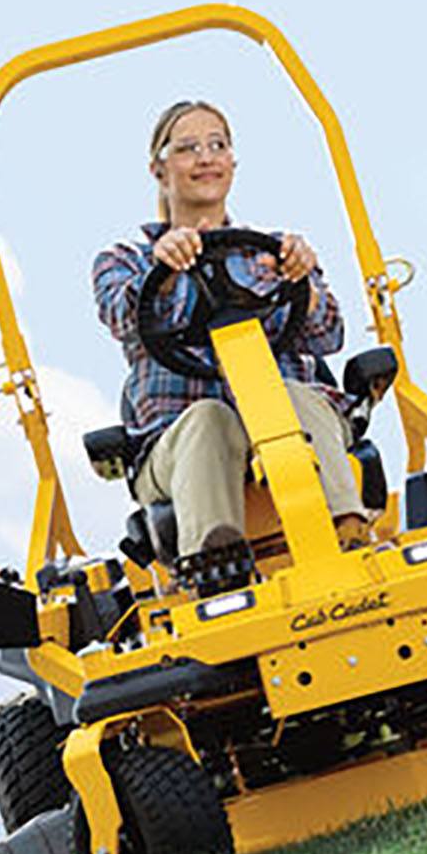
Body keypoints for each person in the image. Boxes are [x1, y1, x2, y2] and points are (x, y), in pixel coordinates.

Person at [91, 99, 368, 561]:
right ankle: (215, 562)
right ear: (159, 170)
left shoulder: (273, 252)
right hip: (175, 441)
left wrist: (305, 282)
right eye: (187, 148)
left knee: (294, 396)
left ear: (232, 162)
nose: (205, 157)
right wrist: (169, 269)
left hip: (282, 425)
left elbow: (328, 336)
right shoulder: (125, 262)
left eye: (217, 145)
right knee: (209, 420)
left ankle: (348, 529)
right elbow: (124, 318)